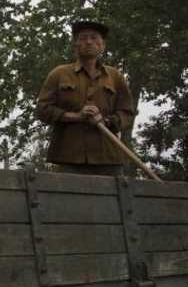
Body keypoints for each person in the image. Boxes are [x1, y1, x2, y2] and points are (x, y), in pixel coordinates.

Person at [36, 21, 135, 176]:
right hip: (69, 158)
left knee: (113, 200)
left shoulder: (115, 76)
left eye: (94, 38)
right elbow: (42, 110)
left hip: (108, 159)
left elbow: (127, 113)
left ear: (102, 45)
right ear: (76, 44)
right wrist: (76, 116)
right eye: (83, 38)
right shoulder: (59, 74)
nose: (88, 42)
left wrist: (106, 121)